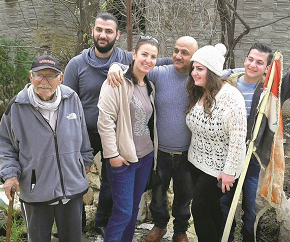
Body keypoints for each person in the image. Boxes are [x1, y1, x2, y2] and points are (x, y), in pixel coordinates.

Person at [63, 12, 171, 235]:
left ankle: (102, 221)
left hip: (120, 133)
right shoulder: (77, 64)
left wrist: (192, 60)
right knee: (74, 178)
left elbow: (152, 60)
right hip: (86, 133)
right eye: (99, 30)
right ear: (92, 31)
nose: (103, 35)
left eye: (109, 31)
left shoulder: (125, 60)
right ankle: (75, 226)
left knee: (109, 184)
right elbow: (67, 103)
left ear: (117, 35)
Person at [107, 36, 198, 242]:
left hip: (187, 153)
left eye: (185, 53)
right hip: (160, 152)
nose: (178, 55)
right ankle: (159, 226)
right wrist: (114, 66)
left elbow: (223, 73)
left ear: (194, 58)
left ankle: (181, 230)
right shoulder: (159, 73)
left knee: (184, 196)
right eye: (176, 50)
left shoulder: (197, 78)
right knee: (158, 195)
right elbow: (133, 66)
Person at [0, 55, 94, 242]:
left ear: (61, 78)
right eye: (39, 75)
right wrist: (9, 174)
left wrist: (85, 161)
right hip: (36, 190)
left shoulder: (72, 98)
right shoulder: (17, 106)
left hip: (71, 188)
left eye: (51, 76)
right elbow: (6, 144)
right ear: (30, 77)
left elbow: (82, 136)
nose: (44, 81)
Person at [97, 36, 159, 242]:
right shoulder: (116, 81)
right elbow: (105, 122)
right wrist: (112, 155)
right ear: (134, 55)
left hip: (145, 156)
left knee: (133, 210)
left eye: (153, 56)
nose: (148, 60)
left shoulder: (149, 85)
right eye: (144, 54)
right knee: (122, 212)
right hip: (123, 158)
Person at [185, 44, 247, 242]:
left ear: (212, 72)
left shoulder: (230, 97)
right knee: (211, 211)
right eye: (193, 68)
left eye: (200, 69)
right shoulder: (200, 91)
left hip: (219, 170)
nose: (194, 72)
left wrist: (229, 171)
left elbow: (238, 138)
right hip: (196, 163)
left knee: (199, 211)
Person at [220, 43, 273, 242]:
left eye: (259, 62)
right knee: (225, 202)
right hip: (228, 155)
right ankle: (227, 236)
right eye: (250, 59)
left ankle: (249, 237)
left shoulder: (269, 90)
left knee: (251, 206)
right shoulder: (228, 84)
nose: (252, 65)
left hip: (253, 158)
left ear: (267, 68)